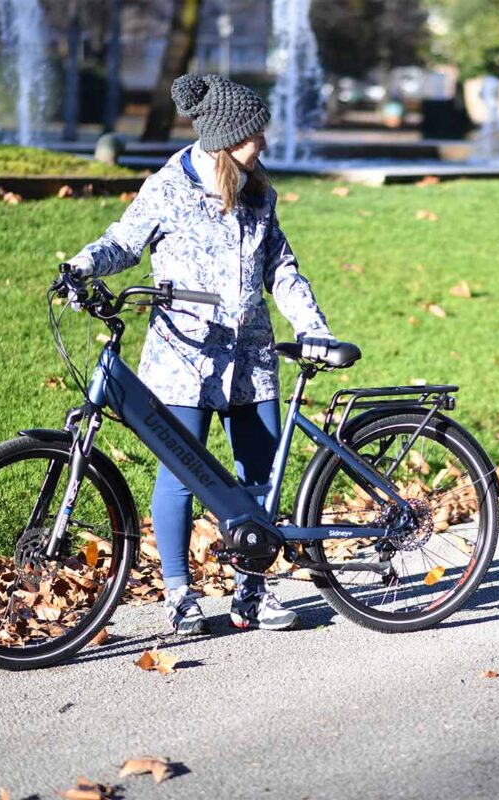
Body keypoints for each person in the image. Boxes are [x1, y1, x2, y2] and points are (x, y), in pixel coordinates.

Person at [65, 73, 335, 636]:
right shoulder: (169, 187)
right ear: (223, 138)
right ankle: (179, 592)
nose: (262, 144)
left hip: (251, 356)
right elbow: (124, 240)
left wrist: (311, 323)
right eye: (253, 135)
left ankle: (253, 591)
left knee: (257, 476)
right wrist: (85, 264)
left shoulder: (260, 190)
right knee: (179, 474)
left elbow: (279, 269)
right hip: (183, 357)